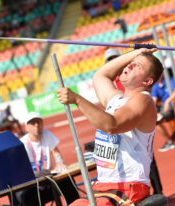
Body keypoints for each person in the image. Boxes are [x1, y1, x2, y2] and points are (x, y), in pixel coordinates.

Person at [57, 48, 163, 205]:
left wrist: (77, 100)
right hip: (103, 185)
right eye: (130, 64)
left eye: (137, 66)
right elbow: (100, 75)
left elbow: (111, 125)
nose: (129, 66)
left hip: (129, 186)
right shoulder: (115, 100)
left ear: (147, 81)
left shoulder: (144, 101)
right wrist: (135, 54)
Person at [12, 112, 79, 206]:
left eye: (39, 122)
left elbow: (57, 155)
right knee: (27, 195)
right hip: (34, 185)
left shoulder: (47, 134)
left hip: (49, 181)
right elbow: (19, 171)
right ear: (26, 127)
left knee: (67, 181)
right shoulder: (22, 144)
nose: (36, 125)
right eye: (33, 123)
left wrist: (60, 164)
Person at [151, 67, 175, 152]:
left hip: (173, 104)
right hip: (165, 108)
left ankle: (170, 142)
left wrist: (167, 101)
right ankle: (170, 141)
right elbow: (153, 101)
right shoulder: (155, 87)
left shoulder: (170, 80)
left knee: (157, 120)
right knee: (155, 121)